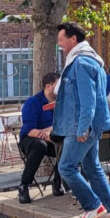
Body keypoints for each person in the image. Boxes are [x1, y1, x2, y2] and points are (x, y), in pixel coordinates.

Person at [52, 22, 110, 218]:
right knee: (92, 167)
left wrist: (83, 127)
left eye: (62, 41)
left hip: (80, 124)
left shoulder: (80, 62)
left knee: (66, 168)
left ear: (73, 39)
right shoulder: (91, 60)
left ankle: (93, 206)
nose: (60, 45)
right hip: (90, 122)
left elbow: (87, 98)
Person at [17, 72, 63, 204]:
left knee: (67, 145)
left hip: (54, 138)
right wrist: (47, 132)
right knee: (40, 145)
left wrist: (50, 132)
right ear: (48, 87)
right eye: (57, 85)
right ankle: (24, 186)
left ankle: (58, 182)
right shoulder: (33, 102)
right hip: (30, 140)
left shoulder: (61, 102)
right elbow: (30, 130)